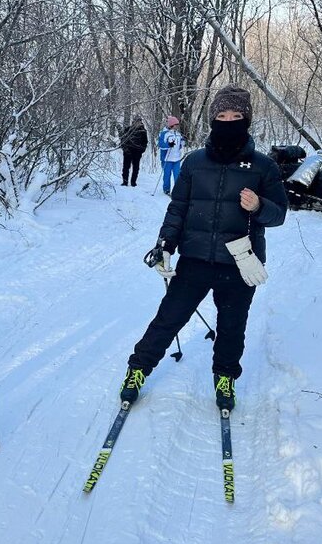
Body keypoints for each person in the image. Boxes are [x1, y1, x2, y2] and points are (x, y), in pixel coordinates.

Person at [119, 84, 288, 411]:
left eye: (236, 115)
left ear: (247, 119)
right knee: (168, 318)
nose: (228, 121)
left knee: (231, 326)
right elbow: (178, 208)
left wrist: (258, 206)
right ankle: (137, 370)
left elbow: (279, 214)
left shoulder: (263, 166)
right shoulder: (194, 162)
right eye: (222, 115)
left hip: (241, 262)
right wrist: (165, 243)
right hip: (195, 260)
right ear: (213, 118)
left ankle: (225, 377)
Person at [158, 115, 186, 194]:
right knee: (167, 175)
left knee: (177, 175)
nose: (177, 126)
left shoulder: (178, 134)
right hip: (167, 159)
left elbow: (179, 146)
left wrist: (182, 143)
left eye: (177, 124)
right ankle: (166, 189)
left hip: (176, 158)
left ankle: (177, 190)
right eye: (176, 124)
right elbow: (160, 145)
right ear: (172, 125)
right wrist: (168, 145)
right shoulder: (164, 133)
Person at [120, 115, 148, 186]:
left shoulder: (143, 131)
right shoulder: (128, 129)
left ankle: (133, 182)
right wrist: (125, 149)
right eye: (137, 121)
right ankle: (125, 182)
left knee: (136, 168)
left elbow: (145, 142)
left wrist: (141, 150)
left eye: (140, 121)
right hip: (128, 152)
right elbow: (123, 140)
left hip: (137, 152)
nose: (139, 123)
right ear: (134, 122)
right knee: (126, 167)